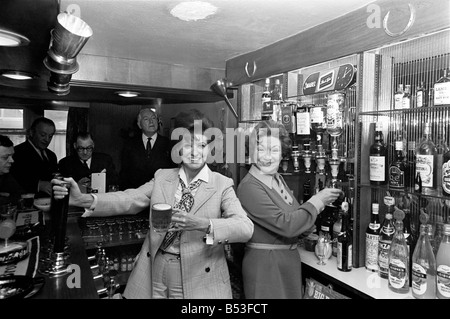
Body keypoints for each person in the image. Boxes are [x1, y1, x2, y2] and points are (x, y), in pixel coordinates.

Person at [52, 109, 254, 299]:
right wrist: (83, 199)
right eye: (188, 144)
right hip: (156, 271)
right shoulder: (162, 177)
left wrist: (203, 224)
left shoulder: (221, 183)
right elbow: (129, 198)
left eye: (201, 145)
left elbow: (244, 228)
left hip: (199, 276)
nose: (194, 152)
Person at [236, 120, 342, 299]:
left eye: (274, 150)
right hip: (265, 267)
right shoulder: (249, 187)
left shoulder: (277, 179)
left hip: (287, 263)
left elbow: (296, 217)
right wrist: (318, 200)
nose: (267, 157)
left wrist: (306, 222)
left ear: (283, 153)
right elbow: (287, 224)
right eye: (261, 150)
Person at [119, 108, 175, 189]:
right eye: (146, 119)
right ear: (139, 124)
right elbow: (124, 173)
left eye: (153, 118)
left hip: (161, 192)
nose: (151, 121)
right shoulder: (130, 144)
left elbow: (173, 172)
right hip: (136, 193)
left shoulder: (168, 144)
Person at [11, 117, 58, 197]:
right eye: (43, 135)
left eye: (50, 136)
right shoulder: (17, 152)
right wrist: (38, 185)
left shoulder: (52, 155)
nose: (47, 140)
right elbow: (13, 181)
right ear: (32, 132)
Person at [0, 135, 24, 206]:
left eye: (12, 156)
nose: (12, 160)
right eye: (5, 157)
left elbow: (20, 195)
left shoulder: (6, 175)